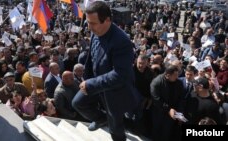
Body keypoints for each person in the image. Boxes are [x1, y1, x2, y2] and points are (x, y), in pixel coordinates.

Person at [72, 1, 139, 141]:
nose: (89, 27)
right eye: (88, 22)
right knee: (78, 103)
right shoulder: (96, 30)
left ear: (107, 20)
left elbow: (121, 75)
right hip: (95, 82)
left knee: (115, 126)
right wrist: (87, 76)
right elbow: (92, 55)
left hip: (114, 90)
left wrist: (91, 84)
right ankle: (101, 119)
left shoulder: (122, 41)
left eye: (93, 23)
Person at [150, 65, 184, 141]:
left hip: (172, 113)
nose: (177, 77)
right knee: (157, 131)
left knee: (167, 132)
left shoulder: (178, 83)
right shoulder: (157, 82)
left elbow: (180, 98)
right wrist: (169, 109)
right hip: (159, 112)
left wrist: (180, 111)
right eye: (175, 75)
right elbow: (156, 99)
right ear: (168, 75)